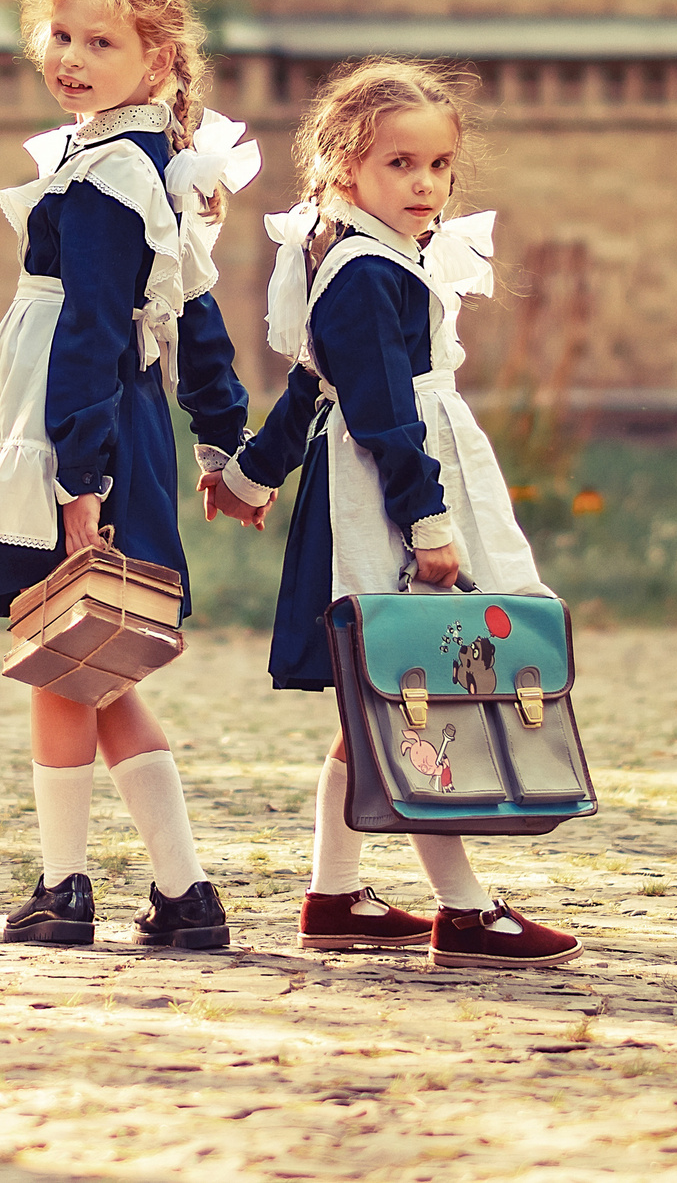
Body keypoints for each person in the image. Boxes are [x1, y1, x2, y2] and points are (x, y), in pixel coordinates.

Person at [0, 0, 266, 951]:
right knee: (98, 665)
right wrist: (219, 447)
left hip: (76, 434)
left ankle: (64, 888)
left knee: (62, 661)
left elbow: (90, 328)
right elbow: (196, 320)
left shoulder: (114, 170)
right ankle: (184, 893)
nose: (69, 56)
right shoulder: (142, 158)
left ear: (156, 60)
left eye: (100, 41)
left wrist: (79, 481)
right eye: (60, 34)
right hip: (109, 426)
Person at [211, 59, 583, 970]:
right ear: (343, 166)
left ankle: (333, 898)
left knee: (375, 701)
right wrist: (428, 526)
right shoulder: (363, 271)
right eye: (399, 165)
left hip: (394, 488)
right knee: (417, 698)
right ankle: (463, 910)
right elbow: (377, 414)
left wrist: (255, 478)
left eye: (438, 166)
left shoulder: (365, 258)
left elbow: (313, 388)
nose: (424, 184)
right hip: (385, 505)